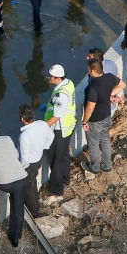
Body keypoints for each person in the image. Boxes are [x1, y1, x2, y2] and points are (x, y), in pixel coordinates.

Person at [0, 121, 35, 247]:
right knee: (17, 208)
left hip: (4, 184)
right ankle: (15, 237)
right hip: (21, 180)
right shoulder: (7, 139)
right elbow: (15, 155)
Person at [80, 59, 125, 173]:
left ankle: (95, 168)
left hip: (95, 120)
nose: (88, 72)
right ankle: (107, 166)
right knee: (105, 141)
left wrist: (84, 122)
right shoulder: (109, 77)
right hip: (106, 116)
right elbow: (123, 84)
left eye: (89, 70)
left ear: (94, 70)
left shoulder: (93, 87)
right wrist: (109, 94)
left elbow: (90, 108)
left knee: (94, 144)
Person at [43, 64, 76, 198]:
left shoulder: (61, 95)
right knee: (63, 155)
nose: (48, 79)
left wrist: (43, 128)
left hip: (59, 130)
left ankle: (57, 189)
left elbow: (57, 116)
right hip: (68, 127)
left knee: (55, 159)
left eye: (50, 78)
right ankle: (65, 178)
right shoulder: (68, 83)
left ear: (57, 78)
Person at [18, 104, 53, 205]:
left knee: (29, 188)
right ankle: (36, 204)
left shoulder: (24, 136)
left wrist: (19, 169)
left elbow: (24, 158)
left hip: (29, 166)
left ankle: (34, 212)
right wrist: (43, 147)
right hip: (38, 160)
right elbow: (51, 136)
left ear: (22, 119)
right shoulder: (42, 124)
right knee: (32, 185)